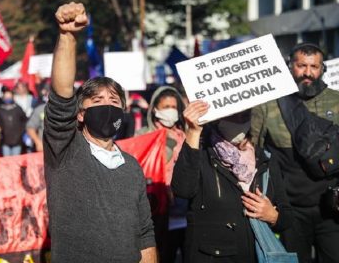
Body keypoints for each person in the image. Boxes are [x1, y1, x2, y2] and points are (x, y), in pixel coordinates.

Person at [43, 2, 157, 262]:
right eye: (97, 101)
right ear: (80, 114)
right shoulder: (65, 151)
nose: (107, 106)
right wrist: (68, 36)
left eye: (114, 101)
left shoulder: (131, 166)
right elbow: (61, 98)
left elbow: (145, 233)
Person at [171, 102, 293, 263]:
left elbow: (287, 215)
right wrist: (193, 132)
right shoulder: (201, 154)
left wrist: (273, 216)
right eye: (233, 115)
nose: (240, 121)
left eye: (244, 115)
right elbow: (183, 190)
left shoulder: (265, 159)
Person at [251, 42, 339, 263]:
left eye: (314, 66)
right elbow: (253, 150)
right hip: (290, 210)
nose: (307, 73)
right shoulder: (268, 104)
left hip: (331, 209)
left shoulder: (337, 100)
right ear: (290, 66)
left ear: (322, 69)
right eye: (301, 66)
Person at [137, 86, 187, 262]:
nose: (170, 111)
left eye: (174, 107)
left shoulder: (187, 136)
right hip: (157, 210)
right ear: (155, 109)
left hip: (184, 210)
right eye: (166, 107)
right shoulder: (143, 135)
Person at [0, 88, 28, 156]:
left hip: (17, 140)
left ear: (12, 97)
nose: (8, 99)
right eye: (6, 97)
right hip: (4, 140)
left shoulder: (18, 109)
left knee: (15, 160)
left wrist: (21, 133)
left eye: (9, 97)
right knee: (6, 160)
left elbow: (25, 121)